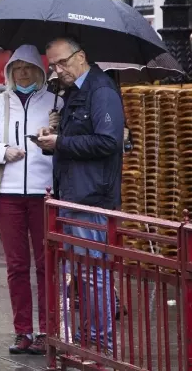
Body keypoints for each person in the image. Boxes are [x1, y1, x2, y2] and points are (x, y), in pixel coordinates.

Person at [36, 37, 124, 353]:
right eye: (53, 65)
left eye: (62, 62)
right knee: (84, 275)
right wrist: (54, 134)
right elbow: (79, 141)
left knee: (93, 274)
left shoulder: (100, 90)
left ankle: (101, 347)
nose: (58, 70)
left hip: (91, 197)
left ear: (81, 56)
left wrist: (61, 143)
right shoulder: (74, 92)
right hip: (74, 193)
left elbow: (108, 142)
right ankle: (90, 342)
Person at [0, 44, 61, 355]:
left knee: (46, 264)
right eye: (16, 68)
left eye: (28, 68)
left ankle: (47, 332)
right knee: (17, 266)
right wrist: (3, 151)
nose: (23, 73)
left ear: (40, 70)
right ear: (9, 73)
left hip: (44, 194)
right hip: (8, 196)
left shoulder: (55, 102)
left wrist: (54, 133)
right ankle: (23, 331)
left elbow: (67, 145)